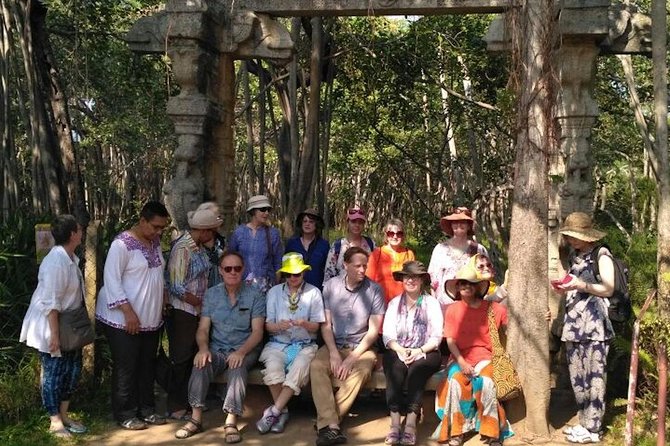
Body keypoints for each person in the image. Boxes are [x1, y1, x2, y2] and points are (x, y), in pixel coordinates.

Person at [174, 252, 265, 442]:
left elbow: (257, 332)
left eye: (237, 268)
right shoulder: (212, 294)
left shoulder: (254, 294)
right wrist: (203, 348)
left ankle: (231, 421)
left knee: (237, 366)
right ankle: (195, 419)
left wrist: (241, 352)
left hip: (244, 348)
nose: (233, 272)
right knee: (201, 363)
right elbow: (203, 329)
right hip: (218, 348)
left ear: (243, 270)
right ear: (220, 271)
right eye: (228, 269)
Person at [95, 201, 169, 430]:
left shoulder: (155, 242)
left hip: (150, 320)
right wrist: (128, 313)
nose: (158, 232)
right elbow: (111, 280)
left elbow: (158, 273)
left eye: (162, 228)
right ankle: (125, 412)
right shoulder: (122, 245)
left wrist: (163, 297)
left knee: (147, 364)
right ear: (142, 220)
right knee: (127, 366)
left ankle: (146, 409)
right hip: (123, 319)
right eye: (155, 227)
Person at [19, 215, 87, 438]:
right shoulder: (56, 262)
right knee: (53, 373)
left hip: (69, 323)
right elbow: (51, 303)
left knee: (72, 370)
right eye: (79, 228)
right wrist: (54, 336)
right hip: (52, 324)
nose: (81, 231)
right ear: (71, 234)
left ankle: (64, 414)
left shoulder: (70, 257)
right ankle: (55, 421)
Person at [310, 246, 385, 446]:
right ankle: (332, 425)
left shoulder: (375, 290)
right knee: (317, 366)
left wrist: (352, 357)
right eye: (358, 266)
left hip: (362, 347)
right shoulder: (331, 286)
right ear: (345, 265)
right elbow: (326, 325)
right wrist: (334, 353)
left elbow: (372, 331)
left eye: (365, 266)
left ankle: (327, 424)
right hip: (334, 343)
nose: (362, 270)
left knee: (361, 372)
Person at [433, 264, 512, 446]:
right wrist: (461, 362)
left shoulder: (493, 308)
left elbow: (513, 324)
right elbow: (450, 340)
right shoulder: (453, 310)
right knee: (455, 382)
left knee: (486, 382)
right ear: (457, 287)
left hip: (486, 357)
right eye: (462, 283)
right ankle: (456, 431)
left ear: (477, 286)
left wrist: (542, 317)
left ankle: (492, 432)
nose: (466, 286)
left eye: (470, 283)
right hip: (459, 357)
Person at [555, 212, 614, 444]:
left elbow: (608, 289)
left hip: (595, 326)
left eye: (575, 236)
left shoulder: (602, 255)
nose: (571, 240)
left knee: (595, 377)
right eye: (569, 237)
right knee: (577, 377)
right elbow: (573, 284)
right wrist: (565, 287)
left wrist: (582, 285)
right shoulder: (574, 256)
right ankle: (584, 422)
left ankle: (594, 428)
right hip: (574, 325)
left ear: (588, 235)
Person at [256, 252, 326, 434]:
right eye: (289, 274)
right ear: (284, 275)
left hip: (305, 344)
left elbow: (316, 327)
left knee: (300, 366)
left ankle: (274, 411)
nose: (293, 278)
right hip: (278, 342)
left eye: (297, 274)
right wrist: (279, 326)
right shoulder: (274, 293)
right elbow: (268, 326)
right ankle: (283, 412)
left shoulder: (314, 292)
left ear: (304, 273)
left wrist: (304, 323)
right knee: (272, 369)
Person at [165, 205, 223, 420]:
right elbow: (176, 285)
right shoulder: (183, 249)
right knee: (180, 358)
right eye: (213, 231)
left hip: (196, 311)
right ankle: (175, 404)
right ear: (205, 231)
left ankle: (191, 401)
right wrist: (198, 302)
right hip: (184, 311)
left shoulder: (197, 248)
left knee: (191, 357)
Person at [382, 261, 442, 446]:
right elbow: (387, 335)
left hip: (426, 350)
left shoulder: (431, 304)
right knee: (395, 369)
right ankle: (394, 423)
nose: (411, 280)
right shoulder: (394, 304)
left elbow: (436, 336)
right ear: (402, 279)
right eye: (407, 276)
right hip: (398, 348)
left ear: (422, 280)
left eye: (415, 277)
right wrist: (400, 350)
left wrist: (418, 351)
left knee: (418, 370)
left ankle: (410, 424)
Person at [428, 207, 488, 307]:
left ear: (469, 226)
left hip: (472, 305)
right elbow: (433, 281)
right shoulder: (440, 249)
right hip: (444, 306)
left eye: (463, 222)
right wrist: (434, 307)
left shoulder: (479, 249)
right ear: (451, 225)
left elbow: (486, 278)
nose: (458, 225)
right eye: (455, 222)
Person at [227, 195, 283, 293]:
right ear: (253, 211)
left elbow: (278, 263)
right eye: (262, 209)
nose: (266, 213)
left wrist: (276, 289)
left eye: (268, 210)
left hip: (266, 288)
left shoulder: (273, 233)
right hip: (242, 288)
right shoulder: (239, 232)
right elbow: (229, 259)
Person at [366, 218, 415, 303]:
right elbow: (368, 281)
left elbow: (414, 282)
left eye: (399, 233)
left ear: (403, 235)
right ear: (386, 235)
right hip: (380, 303)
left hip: (403, 303)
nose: (395, 237)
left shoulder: (409, 254)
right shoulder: (377, 253)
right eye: (391, 233)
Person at [323, 206, 375, 282]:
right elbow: (329, 274)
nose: (357, 225)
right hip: (340, 291)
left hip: (366, 290)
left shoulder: (371, 244)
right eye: (353, 221)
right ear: (347, 222)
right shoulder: (338, 246)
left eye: (360, 222)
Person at [285, 208, 330, 289]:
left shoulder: (324, 245)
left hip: (317, 289)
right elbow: (285, 268)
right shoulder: (292, 244)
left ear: (317, 224)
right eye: (305, 221)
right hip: (294, 289)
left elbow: (328, 270)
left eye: (311, 222)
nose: (307, 224)